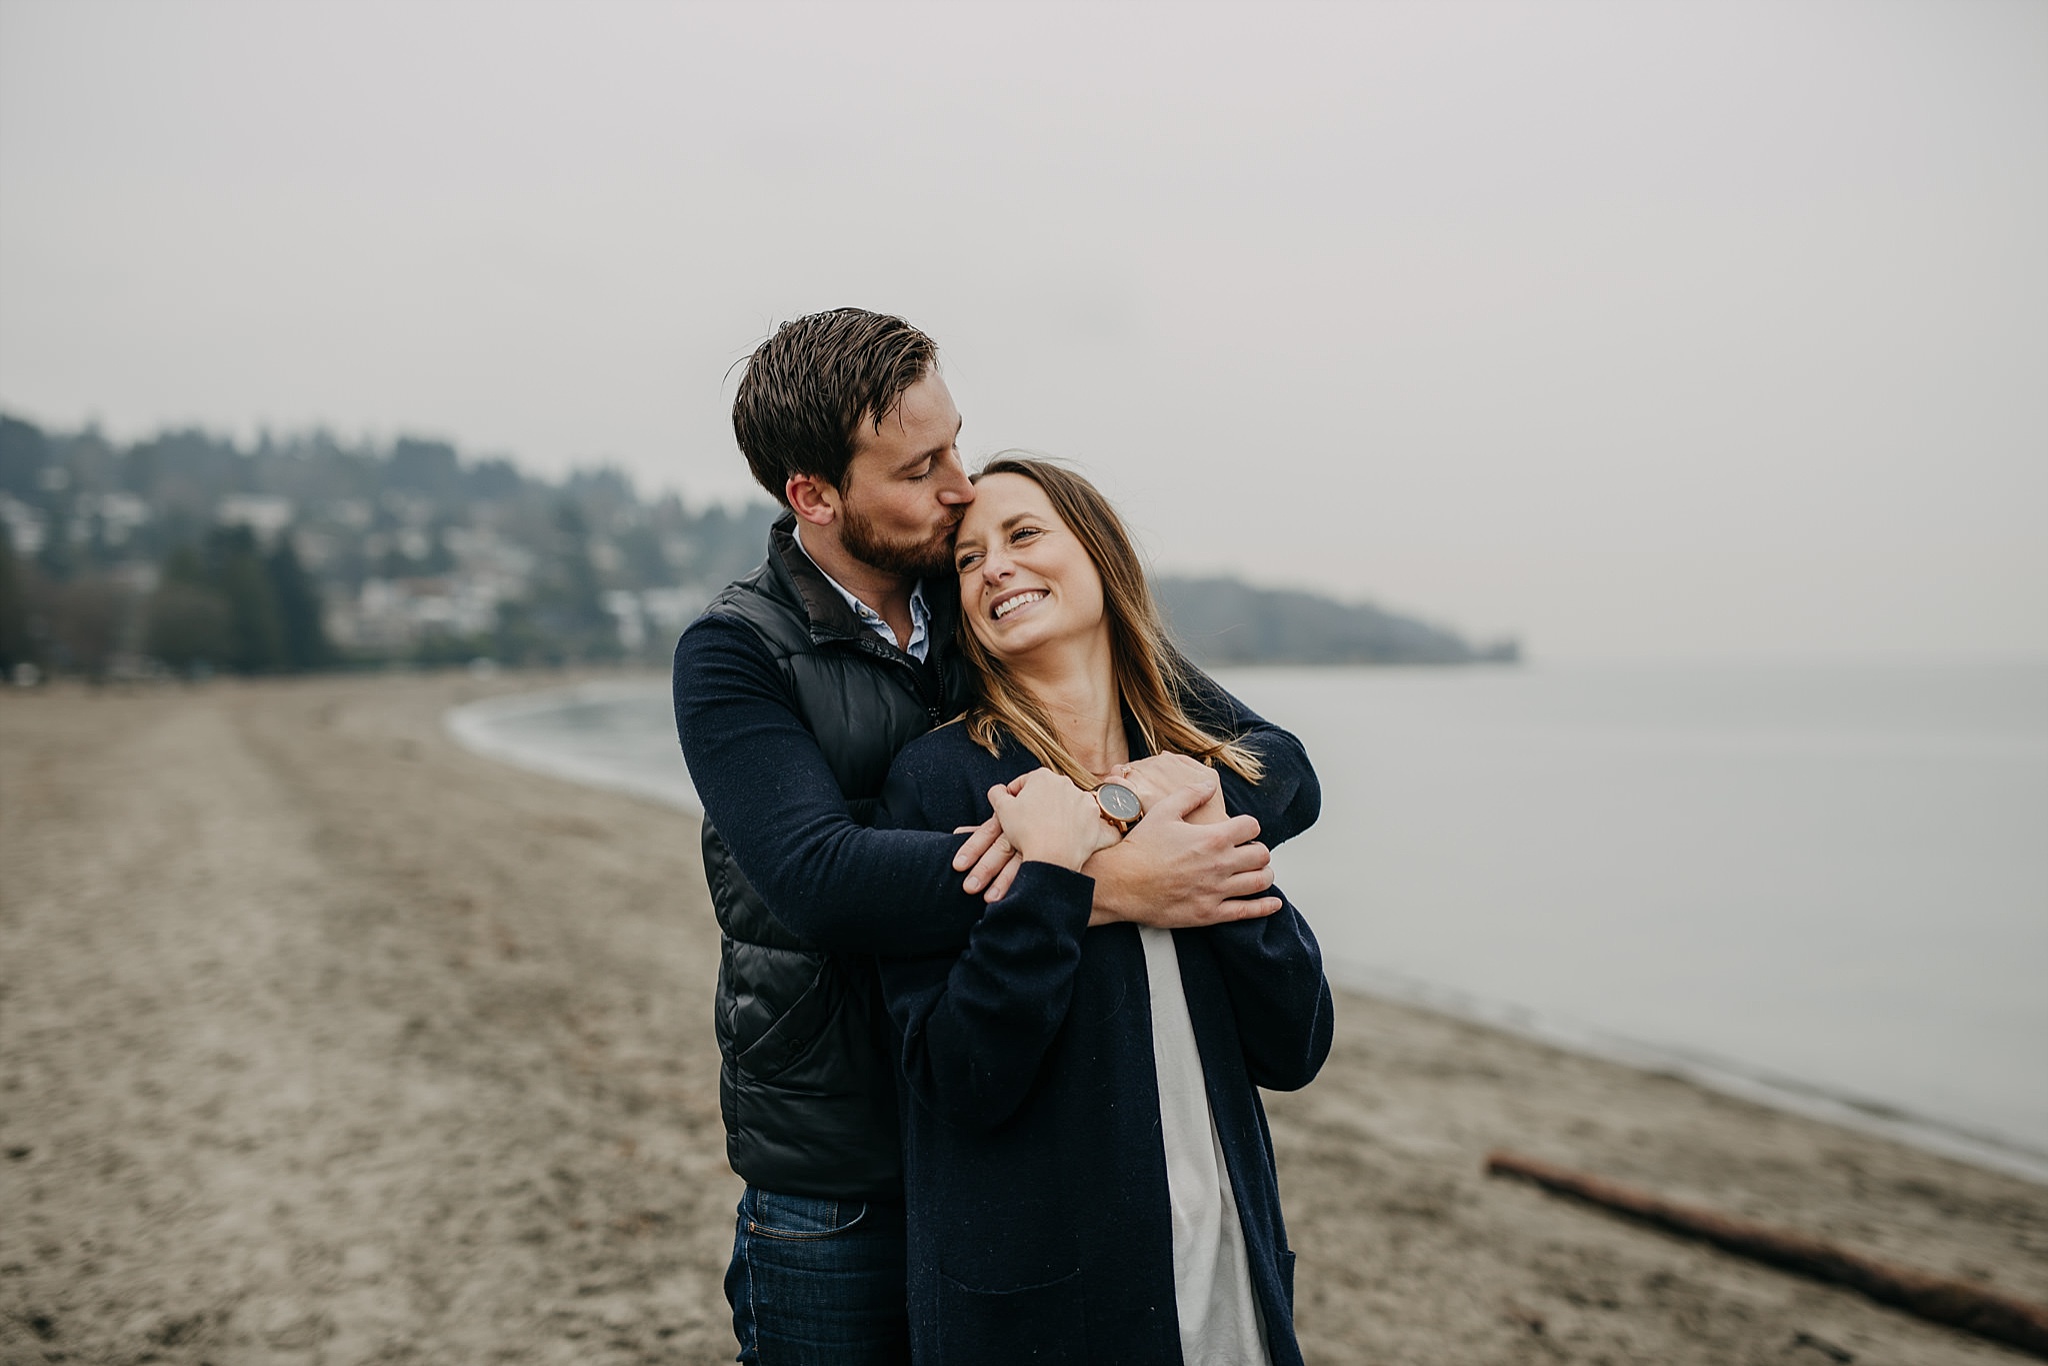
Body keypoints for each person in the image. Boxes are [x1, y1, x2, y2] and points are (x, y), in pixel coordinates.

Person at [672, 308, 1321, 1364]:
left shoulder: (980, 586)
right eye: (920, 466)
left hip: (1023, 1144)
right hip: (840, 1168)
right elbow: (817, 878)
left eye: (955, 442)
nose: (959, 486)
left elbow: (1267, 761)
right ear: (815, 496)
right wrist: (1100, 879)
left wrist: (1144, 806)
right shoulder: (734, 652)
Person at [877, 457, 1333, 1365]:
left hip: (1225, 1272)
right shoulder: (940, 782)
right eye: (967, 561)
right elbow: (959, 1079)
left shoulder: (1194, 765)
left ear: (1101, 554)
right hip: (1044, 1305)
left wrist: (1201, 838)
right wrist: (1051, 875)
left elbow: (1295, 1045)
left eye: (1023, 534)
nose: (994, 567)